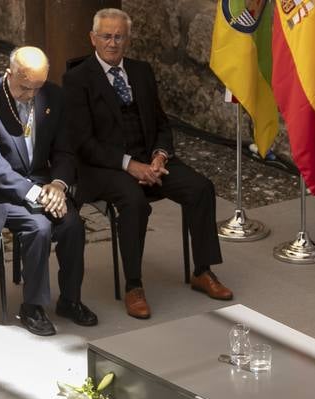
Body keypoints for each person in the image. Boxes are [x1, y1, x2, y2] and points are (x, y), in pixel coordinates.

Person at [63, 7, 233, 320]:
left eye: (119, 37)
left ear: (128, 40)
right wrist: (130, 165)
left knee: (201, 188)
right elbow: (83, 143)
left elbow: (162, 123)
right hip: (105, 167)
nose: (112, 43)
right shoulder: (77, 80)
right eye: (106, 36)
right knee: (135, 201)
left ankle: (202, 270)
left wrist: (159, 155)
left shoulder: (141, 71)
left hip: (148, 157)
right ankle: (133, 285)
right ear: (93, 38)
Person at [0, 46, 94, 336]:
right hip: (3, 191)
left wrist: (59, 186)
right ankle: (32, 306)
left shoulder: (53, 96)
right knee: (38, 228)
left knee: (73, 225)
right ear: (9, 74)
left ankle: (70, 299)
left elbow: (63, 150)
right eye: (25, 87)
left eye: (37, 87)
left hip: (44, 182)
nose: (31, 95)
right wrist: (37, 193)